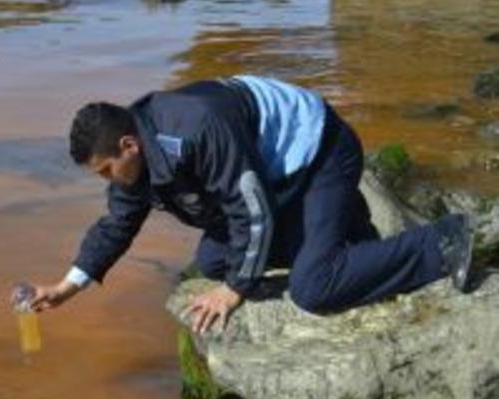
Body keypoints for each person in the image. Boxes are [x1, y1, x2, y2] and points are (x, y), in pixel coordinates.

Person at [29, 75, 473, 335]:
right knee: (212, 259)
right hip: (272, 175)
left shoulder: (196, 129)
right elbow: (116, 225)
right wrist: (66, 288)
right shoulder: (134, 157)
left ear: (129, 145)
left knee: (313, 288)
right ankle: (346, 233)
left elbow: (251, 206)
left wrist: (237, 289)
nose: (107, 182)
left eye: (106, 170)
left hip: (320, 151)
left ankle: (441, 241)